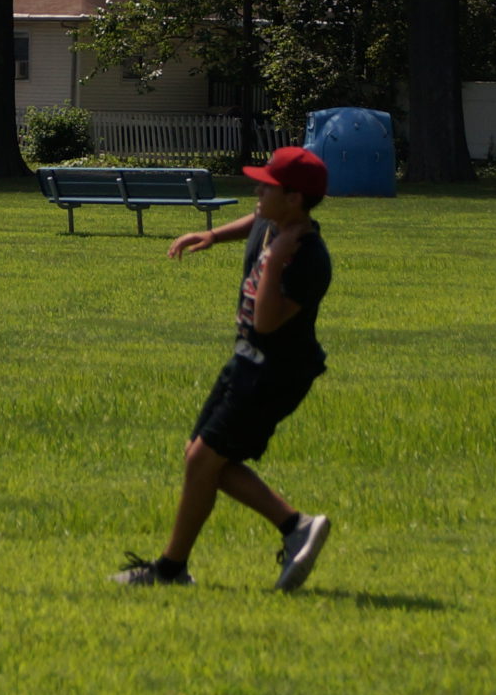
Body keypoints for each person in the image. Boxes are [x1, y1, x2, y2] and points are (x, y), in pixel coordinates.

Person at [115, 146, 336, 590]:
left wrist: (275, 262)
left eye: (267, 187)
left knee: (204, 459)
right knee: (199, 459)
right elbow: (255, 221)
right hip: (247, 361)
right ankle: (291, 529)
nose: (257, 192)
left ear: (294, 199)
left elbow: (267, 322)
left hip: (276, 373)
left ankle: (172, 569)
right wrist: (213, 235)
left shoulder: (308, 257)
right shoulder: (274, 221)